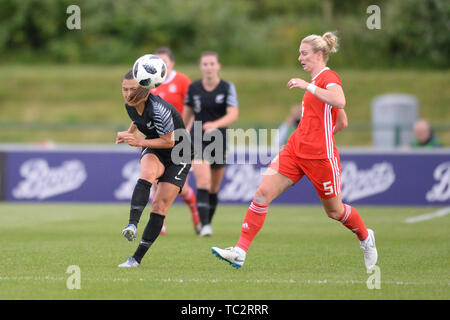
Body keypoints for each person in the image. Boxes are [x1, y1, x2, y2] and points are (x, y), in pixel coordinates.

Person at [211, 32, 378, 271]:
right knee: (261, 194)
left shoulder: (328, 77)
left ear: (319, 55)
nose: (300, 57)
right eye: (300, 52)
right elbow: (341, 121)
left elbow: (340, 103)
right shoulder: (316, 83)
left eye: (304, 53)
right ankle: (240, 251)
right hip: (294, 150)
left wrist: (308, 88)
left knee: (335, 211)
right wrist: (313, 131)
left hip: (321, 157)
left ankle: (365, 237)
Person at [116, 70, 192, 267]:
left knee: (159, 206)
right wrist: (129, 132)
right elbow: (138, 119)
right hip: (156, 146)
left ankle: (136, 258)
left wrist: (139, 140)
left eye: (132, 89)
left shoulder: (160, 109)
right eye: (124, 89)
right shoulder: (130, 104)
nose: (127, 94)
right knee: (148, 173)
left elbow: (169, 141)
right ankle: (132, 224)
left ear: (144, 89)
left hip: (179, 153)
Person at [183, 51, 239, 237]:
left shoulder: (226, 87)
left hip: (219, 139)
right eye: (205, 64)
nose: (208, 67)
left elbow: (233, 114)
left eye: (211, 64)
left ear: (218, 66)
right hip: (197, 138)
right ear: (201, 67)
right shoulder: (194, 88)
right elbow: (187, 114)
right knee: (204, 182)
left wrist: (215, 124)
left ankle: (207, 222)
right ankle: (205, 225)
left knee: (214, 188)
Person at [150, 47, 200, 235]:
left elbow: (193, 109)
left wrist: (186, 131)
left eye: (164, 62)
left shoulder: (182, 81)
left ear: (172, 63)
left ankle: (194, 210)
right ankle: (159, 221)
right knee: (154, 179)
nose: (161, 65)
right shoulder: (150, 81)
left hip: (179, 140)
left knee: (180, 187)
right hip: (157, 140)